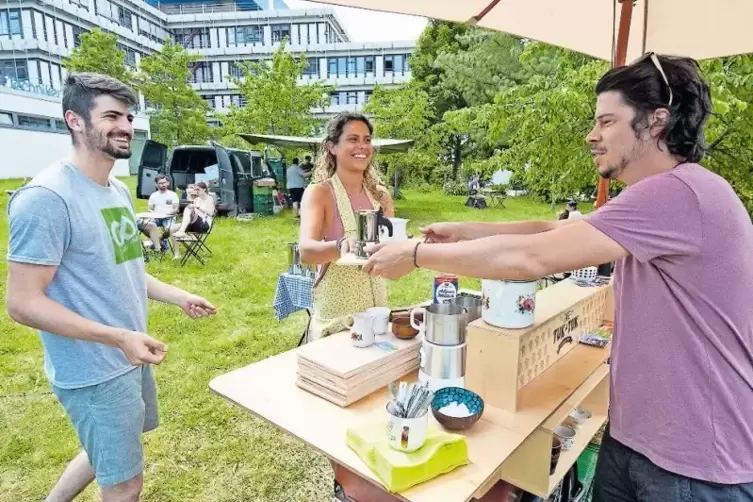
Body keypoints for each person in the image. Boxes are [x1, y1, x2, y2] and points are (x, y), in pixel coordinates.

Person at [362, 54, 753, 501]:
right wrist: (468, 231)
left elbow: (532, 257)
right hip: (635, 439)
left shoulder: (679, 192)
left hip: (694, 462)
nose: (592, 135)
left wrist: (415, 254)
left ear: (656, 121)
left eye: (607, 121)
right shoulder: (659, 196)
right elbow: (555, 230)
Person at [5, 72, 217, 502]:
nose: (125, 126)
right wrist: (117, 337)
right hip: (93, 368)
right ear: (75, 121)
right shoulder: (46, 197)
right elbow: (22, 303)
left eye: (129, 116)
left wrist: (179, 296)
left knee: (103, 449)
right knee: (124, 483)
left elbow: (127, 267)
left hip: (127, 356)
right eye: (112, 116)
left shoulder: (116, 190)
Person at [298, 113, 395, 501]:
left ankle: (371, 480)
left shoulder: (381, 197)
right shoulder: (319, 193)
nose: (362, 147)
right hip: (338, 315)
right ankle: (346, 488)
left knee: (375, 404)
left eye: (367, 139)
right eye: (353, 139)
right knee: (340, 409)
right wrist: (345, 247)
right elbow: (306, 250)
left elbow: (390, 247)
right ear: (332, 146)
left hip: (378, 310)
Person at [168, 181, 215, 259]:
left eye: (198, 189)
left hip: (204, 225)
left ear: (204, 189)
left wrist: (198, 207)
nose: (196, 191)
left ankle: (182, 231)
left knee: (188, 208)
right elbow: (192, 215)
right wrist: (191, 201)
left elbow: (210, 213)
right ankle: (177, 254)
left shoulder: (209, 199)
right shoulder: (197, 199)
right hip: (194, 223)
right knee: (172, 229)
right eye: (195, 190)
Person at [141, 174, 178, 251]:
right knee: (144, 225)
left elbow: (176, 209)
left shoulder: (173, 195)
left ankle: (160, 240)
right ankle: (158, 243)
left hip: (168, 217)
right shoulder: (153, 195)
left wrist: (168, 213)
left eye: (164, 182)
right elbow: (150, 209)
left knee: (170, 229)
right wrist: (151, 214)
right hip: (156, 217)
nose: (163, 184)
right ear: (156, 184)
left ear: (168, 183)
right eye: (161, 183)